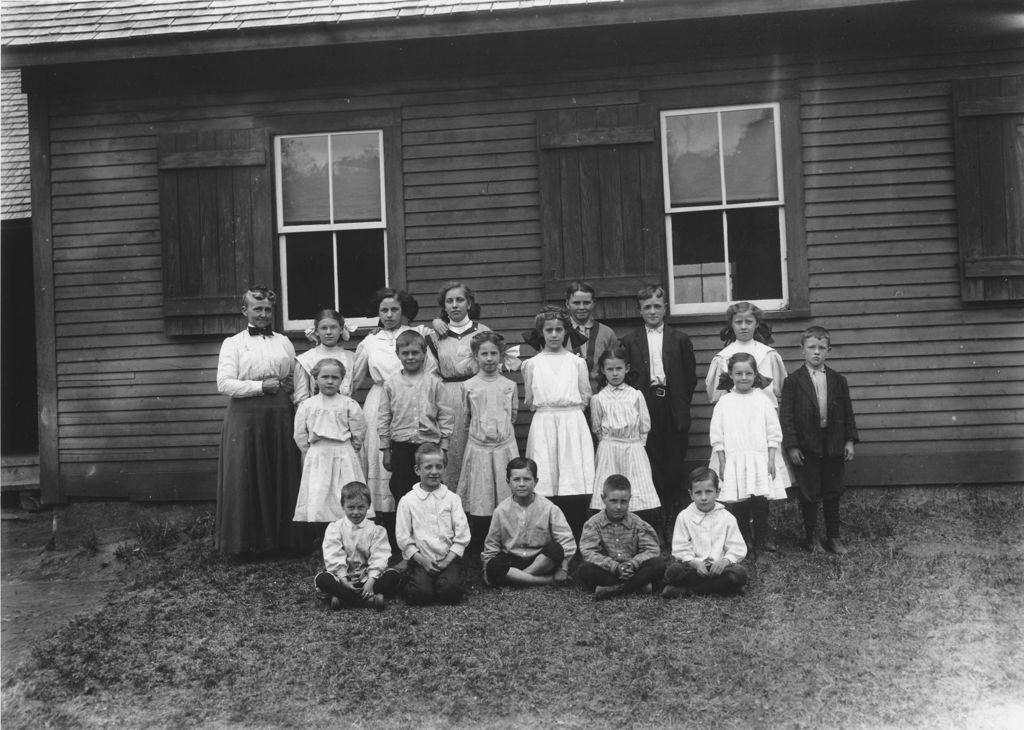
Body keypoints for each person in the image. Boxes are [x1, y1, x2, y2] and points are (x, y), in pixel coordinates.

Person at [215, 286, 312, 555]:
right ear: (244, 310)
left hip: (280, 412)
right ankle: (245, 545)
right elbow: (224, 384)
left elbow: (294, 378)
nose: (263, 314)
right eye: (257, 309)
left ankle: (284, 543)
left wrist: (296, 404)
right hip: (245, 415)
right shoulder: (233, 343)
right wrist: (259, 387)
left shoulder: (283, 341)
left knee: (281, 470)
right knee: (246, 474)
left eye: (268, 309)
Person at [350, 288, 436, 544]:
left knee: (410, 462)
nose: (389, 315)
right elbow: (353, 380)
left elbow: (430, 372)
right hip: (380, 404)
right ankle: (385, 527)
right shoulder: (369, 341)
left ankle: (417, 524)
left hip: (413, 399)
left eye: (394, 310)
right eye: (383, 310)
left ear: (404, 311)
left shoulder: (418, 335)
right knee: (383, 461)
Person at [427, 281, 521, 489]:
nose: (455, 305)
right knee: (454, 449)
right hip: (449, 397)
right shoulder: (435, 337)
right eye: (449, 301)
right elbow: (431, 374)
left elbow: (493, 363)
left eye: (460, 300)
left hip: (481, 394)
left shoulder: (482, 331)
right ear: (444, 306)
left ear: (469, 303)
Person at [619, 283, 697, 535]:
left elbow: (690, 377)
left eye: (657, 306)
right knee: (650, 466)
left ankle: (673, 524)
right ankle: (654, 524)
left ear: (665, 309)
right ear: (640, 311)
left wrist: (680, 403)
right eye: (646, 307)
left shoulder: (680, 339)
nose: (652, 311)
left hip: (672, 405)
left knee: (673, 466)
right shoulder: (630, 341)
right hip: (645, 404)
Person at [780, 326, 859, 555]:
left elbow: (847, 412)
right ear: (802, 350)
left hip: (833, 443)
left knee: (833, 491)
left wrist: (849, 441)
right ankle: (811, 538)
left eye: (821, 348)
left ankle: (833, 537)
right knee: (809, 491)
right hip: (807, 446)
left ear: (829, 350)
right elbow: (786, 417)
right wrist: (792, 446)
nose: (817, 352)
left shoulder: (838, 380)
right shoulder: (793, 381)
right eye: (811, 348)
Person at [521, 308, 595, 540]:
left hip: (572, 422)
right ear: (541, 333)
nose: (554, 334)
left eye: (559, 330)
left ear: (566, 332)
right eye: (549, 330)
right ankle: (549, 536)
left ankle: (576, 535)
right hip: (544, 423)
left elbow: (585, 396)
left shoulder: (577, 363)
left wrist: (568, 416)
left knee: (572, 478)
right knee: (546, 476)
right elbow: (531, 400)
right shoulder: (532, 364)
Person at [709, 352, 790, 557]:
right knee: (740, 504)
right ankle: (744, 541)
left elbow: (773, 432)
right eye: (739, 373)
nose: (743, 378)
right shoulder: (725, 402)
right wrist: (722, 461)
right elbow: (717, 434)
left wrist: (771, 459)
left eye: (748, 373)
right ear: (731, 374)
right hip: (735, 459)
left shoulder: (762, 401)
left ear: (755, 375)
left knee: (760, 502)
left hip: (759, 458)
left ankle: (761, 541)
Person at [378, 330, 453, 549]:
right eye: (405, 353)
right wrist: (385, 449)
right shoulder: (391, 384)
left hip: (428, 446)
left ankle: (432, 541)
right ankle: (404, 545)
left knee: (430, 491)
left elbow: (445, 415)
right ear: (398, 355)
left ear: (424, 354)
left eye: (415, 353)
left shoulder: (434, 383)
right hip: (401, 446)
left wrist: (444, 447)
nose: (411, 357)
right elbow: (384, 417)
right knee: (402, 493)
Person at [456, 331, 520, 547]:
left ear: (501, 356)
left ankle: (506, 537)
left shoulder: (509, 385)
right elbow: (467, 417)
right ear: (476, 357)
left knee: (504, 490)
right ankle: (481, 539)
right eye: (484, 354)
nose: (490, 358)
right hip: (479, 446)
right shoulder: (469, 386)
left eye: (494, 353)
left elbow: (512, 414)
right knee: (481, 492)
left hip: (504, 446)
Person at [588, 347, 661, 527]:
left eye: (618, 369)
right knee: (610, 486)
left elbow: (644, 425)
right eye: (610, 369)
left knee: (637, 487)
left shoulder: (635, 395)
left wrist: (636, 446)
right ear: (603, 371)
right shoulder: (598, 399)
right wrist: (608, 444)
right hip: (609, 448)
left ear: (626, 368)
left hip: (633, 447)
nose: (614, 374)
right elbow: (597, 428)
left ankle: (637, 531)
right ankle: (609, 532)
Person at [292, 358, 367, 525]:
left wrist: (352, 447)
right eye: (325, 377)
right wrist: (310, 451)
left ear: (342, 380)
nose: (330, 381)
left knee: (345, 493)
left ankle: (347, 536)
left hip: (344, 454)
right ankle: (322, 541)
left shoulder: (349, 403)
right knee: (319, 495)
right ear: (315, 379)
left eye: (335, 378)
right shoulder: (307, 405)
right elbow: (299, 434)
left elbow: (359, 430)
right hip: (318, 455)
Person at [481, 457, 575, 587]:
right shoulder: (501, 511)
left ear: (536, 481)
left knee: (556, 549)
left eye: (526, 479)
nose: (521, 484)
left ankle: (518, 578)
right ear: (508, 482)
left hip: (540, 560)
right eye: (516, 479)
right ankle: (545, 580)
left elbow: (566, 542)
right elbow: (491, 546)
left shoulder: (549, 508)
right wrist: (488, 569)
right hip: (512, 559)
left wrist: (563, 569)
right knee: (494, 565)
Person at [395, 444, 471, 606]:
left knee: (451, 593)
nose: (434, 472)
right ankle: (411, 579)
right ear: (417, 470)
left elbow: (462, 535)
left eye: (439, 467)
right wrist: (422, 560)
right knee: (420, 595)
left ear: (444, 469)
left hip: (447, 558)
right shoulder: (408, 501)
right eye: (428, 467)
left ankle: (447, 579)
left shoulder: (452, 499)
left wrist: (446, 561)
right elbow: (403, 537)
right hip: (421, 559)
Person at [313, 481, 402, 610]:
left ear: (368, 506)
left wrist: (371, 582)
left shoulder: (376, 530)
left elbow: (379, 557)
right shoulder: (335, 528)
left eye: (361, 507)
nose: (356, 512)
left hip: (367, 577)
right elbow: (333, 555)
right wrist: (344, 580)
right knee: (323, 579)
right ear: (343, 506)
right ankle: (368, 599)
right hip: (343, 579)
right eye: (351, 507)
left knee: (393, 575)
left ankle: (343, 599)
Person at [577, 475, 668, 600]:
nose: (619, 506)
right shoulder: (593, 524)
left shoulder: (638, 523)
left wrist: (633, 564)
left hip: (633, 571)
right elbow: (589, 552)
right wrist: (614, 567)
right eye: (613, 501)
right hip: (608, 571)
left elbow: (651, 550)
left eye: (624, 502)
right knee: (584, 569)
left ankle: (615, 590)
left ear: (629, 499)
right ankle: (639, 587)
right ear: (603, 498)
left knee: (658, 564)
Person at [663, 468, 748, 598]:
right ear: (690, 494)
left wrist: (725, 561)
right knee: (673, 572)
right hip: (693, 568)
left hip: (720, 569)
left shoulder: (727, 517)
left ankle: (688, 592)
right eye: (698, 493)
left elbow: (737, 547)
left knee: (739, 573)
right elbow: (680, 548)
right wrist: (693, 562)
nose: (703, 498)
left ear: (717, 492)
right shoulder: (684, 516)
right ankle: (724, 588)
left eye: (708, 492)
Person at [704, 301, 787, 408]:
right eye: (738, 322)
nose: (743, 326)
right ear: (731, 324)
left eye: (748, 322)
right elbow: (715, 395)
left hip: (764, 415)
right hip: (734, 414)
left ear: (756, 323)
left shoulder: (769, 355)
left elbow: (781, 389)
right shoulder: (722, 357)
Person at [564, 281, 618, 392]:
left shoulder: (607, 333)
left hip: (600, 397)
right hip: (567, 399)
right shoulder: (558, 333)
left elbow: (616, 365)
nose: (582, 307)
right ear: (567, 304)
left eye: (586, 302)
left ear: (593, 303)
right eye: (576, 303)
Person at [293, 309, 354, 403]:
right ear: (316, 331)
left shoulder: (351, 357)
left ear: (341, 329)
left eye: (333, 327)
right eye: (324, 328)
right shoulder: (306, 359)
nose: (329, 332)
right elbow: (301, 399)